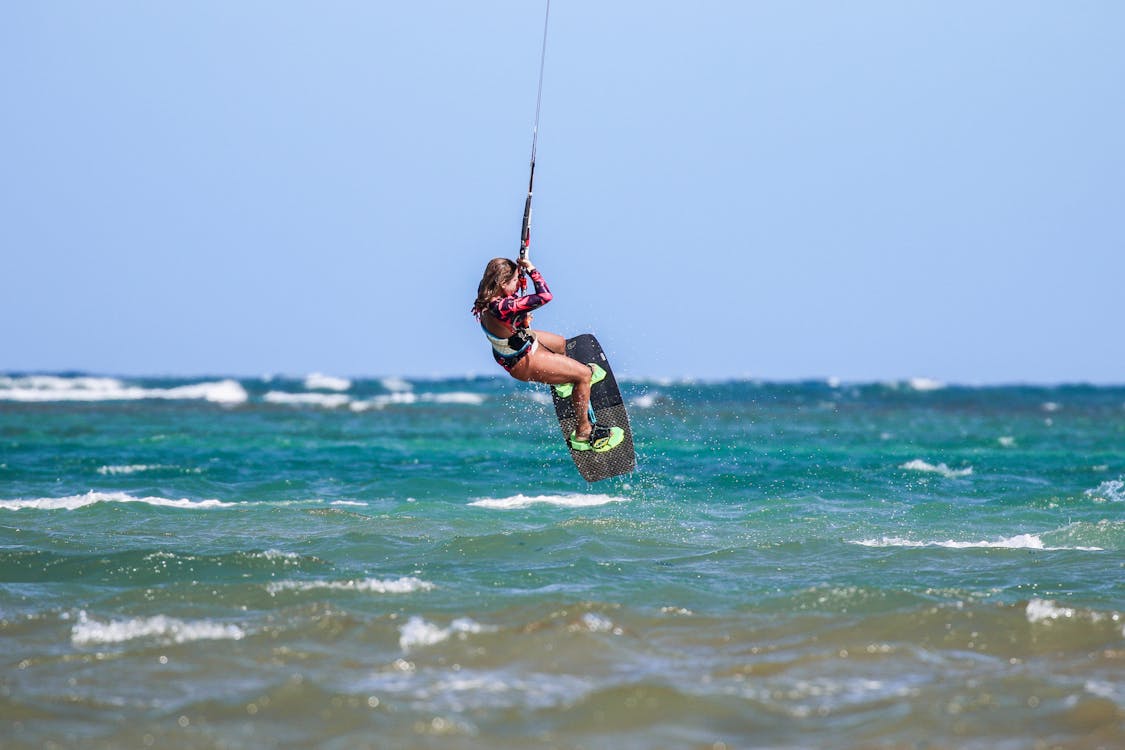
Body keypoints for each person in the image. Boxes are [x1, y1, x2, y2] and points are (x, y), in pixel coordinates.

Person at [472, 257, 623, 452]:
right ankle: (584, 433)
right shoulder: (501, 307)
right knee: (584, 375)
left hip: (516, 344)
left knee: (561, 344)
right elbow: (545, 296)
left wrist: (521, 319)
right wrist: (532, 270)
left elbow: (506, 320)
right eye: (515, 281)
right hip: (522, 360)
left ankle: (563, 381)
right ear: (502, 283)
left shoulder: (488, 296)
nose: (518, 284)